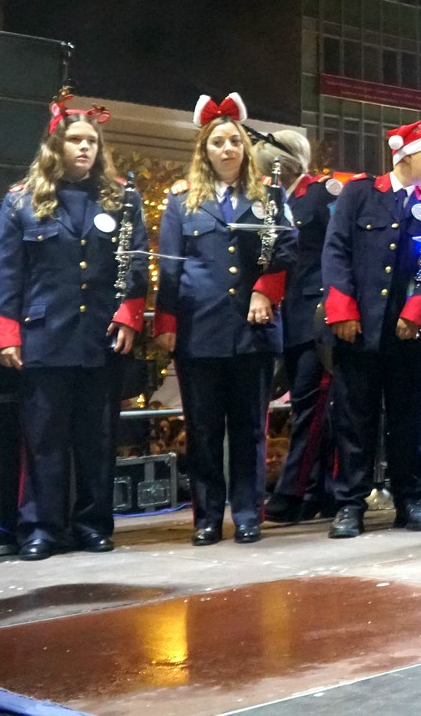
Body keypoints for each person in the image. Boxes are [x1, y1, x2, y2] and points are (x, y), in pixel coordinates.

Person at [0, 95, 148, 561]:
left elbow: (136, 265)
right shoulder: (22, 200)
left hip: (102, 337)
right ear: (55, 145)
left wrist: (129, 315)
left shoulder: (123, 199)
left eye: (92, 141)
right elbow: (6, 271)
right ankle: (41, 529)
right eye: (76, 139)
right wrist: (5, 333)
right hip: (45, 335)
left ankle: (93, 525)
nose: (85, 148)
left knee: (97, 440)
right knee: (44, 440)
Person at [154, 93, 296, 547]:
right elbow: (170, 266)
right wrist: (166, 324)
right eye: (218, 142)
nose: (228, 149)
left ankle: (249, 514)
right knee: (203, 430)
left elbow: (288, 248)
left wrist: (264, 290)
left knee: (251, 428)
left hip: (252, 328)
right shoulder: (182, 202)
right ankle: (208, 517)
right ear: (205, 150)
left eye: (235, 141)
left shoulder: (269, 195)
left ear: (245, 148)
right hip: (200, 328)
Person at [321, 122, 421, 538]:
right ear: (406, 157)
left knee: (410, 421)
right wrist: (342, 310)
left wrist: (417, 312)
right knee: (354, 421)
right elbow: (336, 250)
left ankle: (410, 499)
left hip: (410, 333)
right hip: (358, 329)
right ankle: (350, 504)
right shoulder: (360, 194)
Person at [260, 130, 340, 525]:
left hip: (317, 313)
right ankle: (320, 491)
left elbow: (339, 250)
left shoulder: (323, 195)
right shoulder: (271, 200)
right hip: (285, 316)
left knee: (312, 403)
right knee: (310, 406)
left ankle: (293, 491)